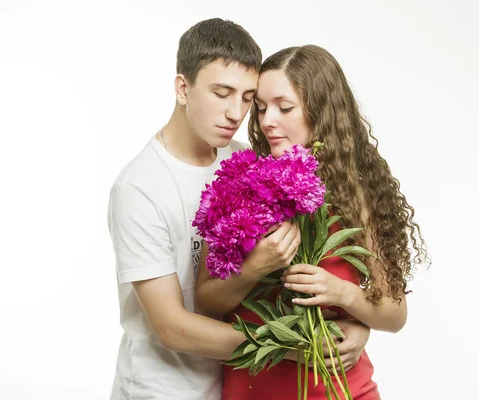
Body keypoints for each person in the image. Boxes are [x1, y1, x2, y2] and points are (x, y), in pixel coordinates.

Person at [107, 19, 369, 399]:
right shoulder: (140, 188)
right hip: (163, 388)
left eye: (247, 98)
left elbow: (279, 287)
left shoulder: (245, 159)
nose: (236, 112)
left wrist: (353, 328)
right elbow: (172, 328)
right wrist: (302, 345)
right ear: (183, 88)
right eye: (222, 92)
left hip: (237, 384)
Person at [195, 45, 429, 399]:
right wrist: (256, 267)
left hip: (347, 391)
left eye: (284, 107)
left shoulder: (355, 198)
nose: (267, 121)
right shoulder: (240, 188)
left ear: (321, 112)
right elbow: (206, 302)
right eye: (260, 108)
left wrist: (344, 295)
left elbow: (394, 315)